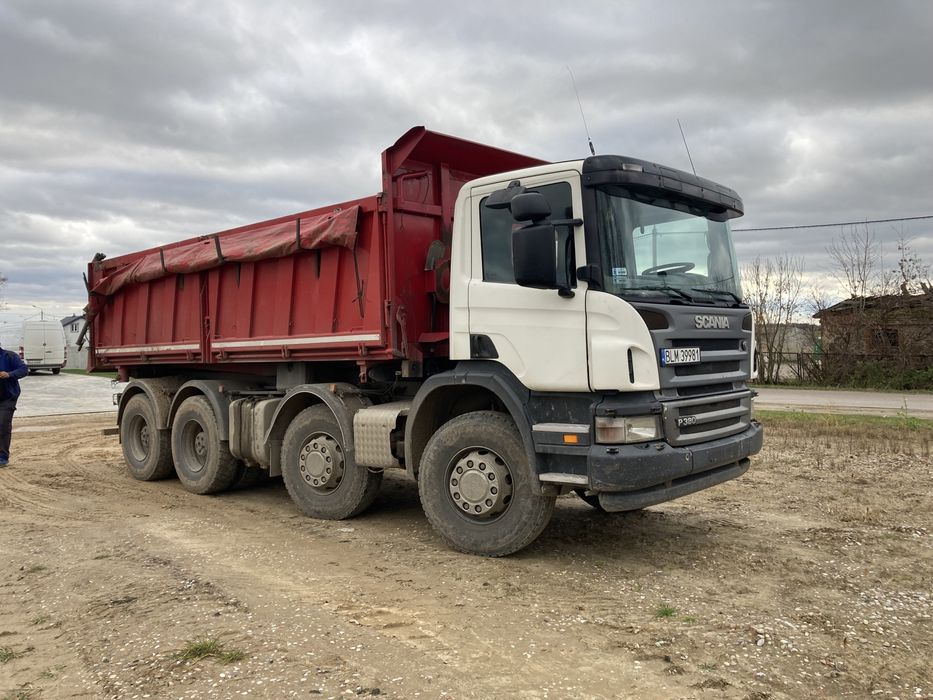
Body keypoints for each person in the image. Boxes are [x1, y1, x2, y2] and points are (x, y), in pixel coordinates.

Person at [0, 341, 28, 467]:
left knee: (3, 425)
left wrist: (9, 374)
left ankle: (2, 457)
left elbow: (23, 369)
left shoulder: (9, 356)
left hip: (8, 397)